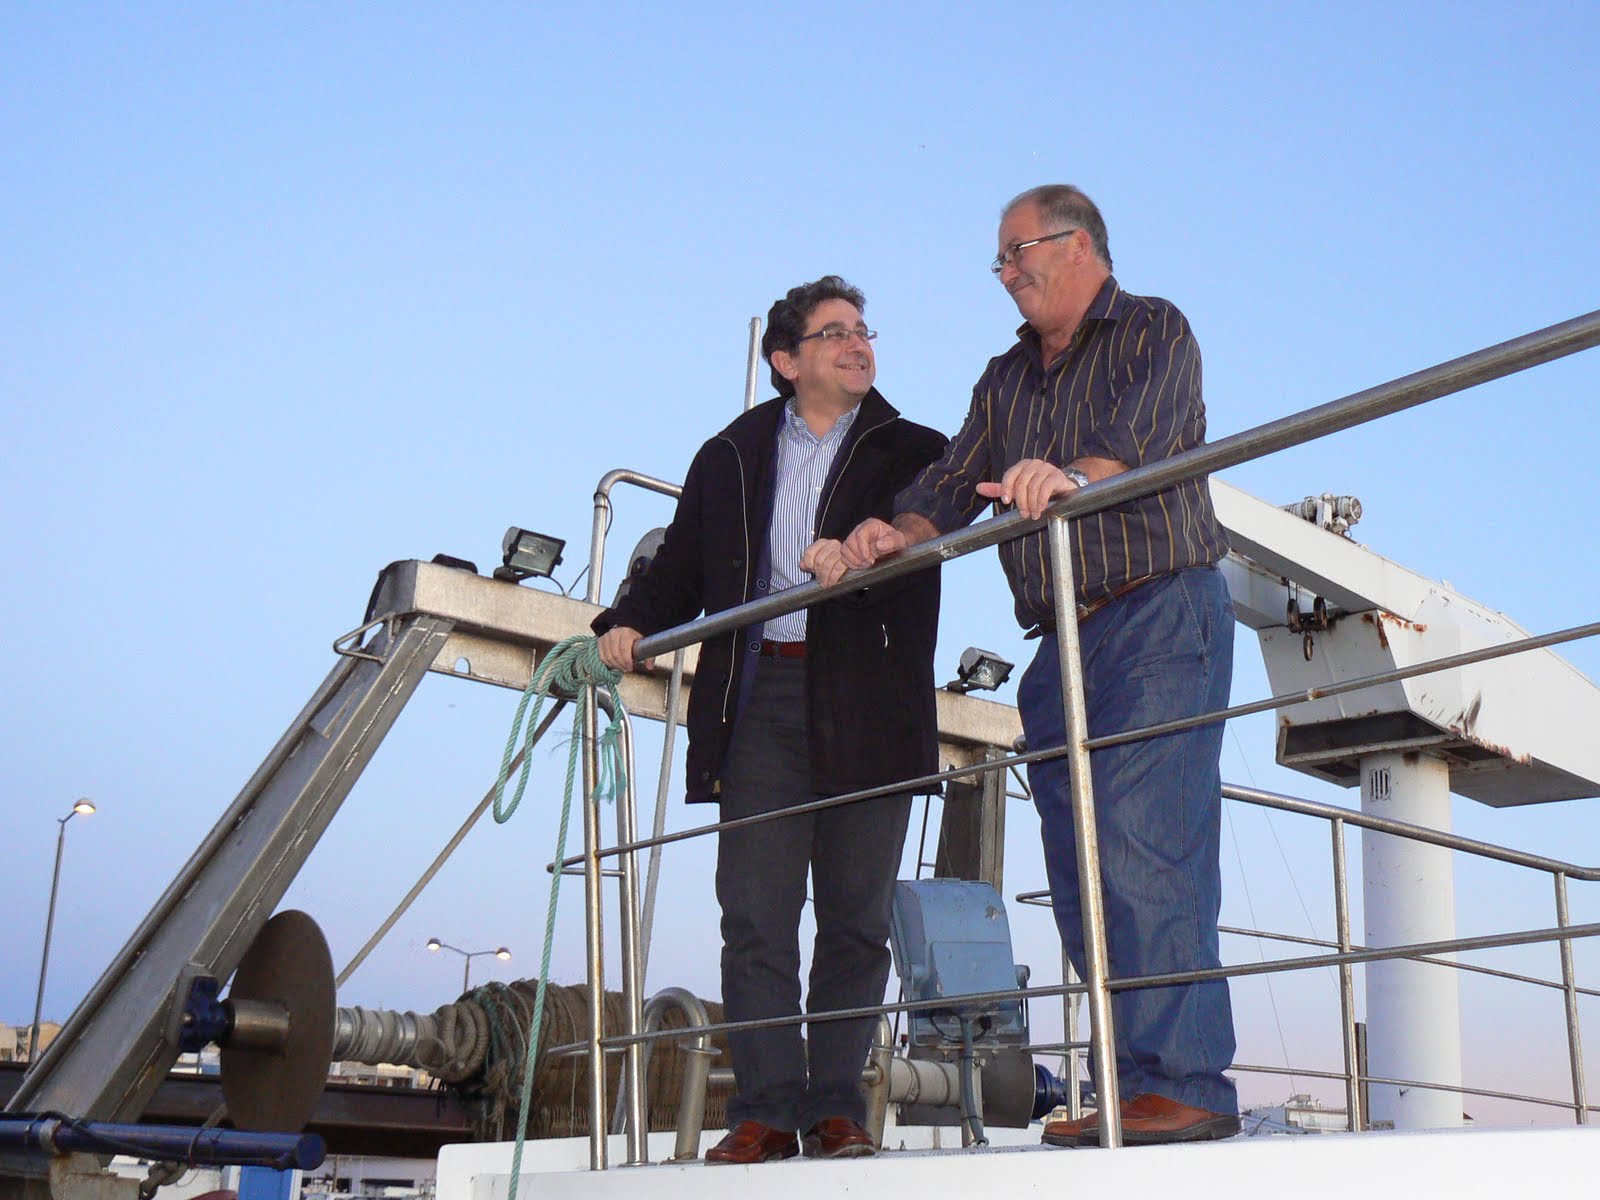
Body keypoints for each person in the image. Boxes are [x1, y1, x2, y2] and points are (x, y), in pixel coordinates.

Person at [836, 186, 1240, 1147]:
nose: (1006, 271)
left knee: (1146, 847)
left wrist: (1073, 477)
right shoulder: (1005, 377)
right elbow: (952, 480)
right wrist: (897, 530)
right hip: (1061, 638)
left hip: (1158, 611)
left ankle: (1185, 1084)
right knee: (1080, 871)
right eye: (1001, 259)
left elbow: (1145, 435)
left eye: (1018, 251)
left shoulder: (1153, 329)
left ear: (1080, 244)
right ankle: (1131, 1085)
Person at [594, 275, 946, 1163]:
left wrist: (870, 549)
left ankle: (835, 1109)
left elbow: (923, 543)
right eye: (836, 333)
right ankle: (764, 1109)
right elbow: (682, 566)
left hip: (869, 700)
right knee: (755, 915)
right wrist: (624, 622)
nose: (859, 344)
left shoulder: (917, 452)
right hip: (759, 700)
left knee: (857, 920)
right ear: (787, 361)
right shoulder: (730, 454)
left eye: (864, 330)